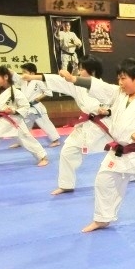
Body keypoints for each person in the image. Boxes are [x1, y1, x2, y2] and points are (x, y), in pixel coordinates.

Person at [59, 58, 135, 233]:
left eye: (123, 79)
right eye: (119, 79)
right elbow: (97, 85)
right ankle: (102, 219)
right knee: (103, 181)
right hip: (118, 150)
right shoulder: (117, 94)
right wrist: (73, 79)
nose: (120, 83)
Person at [22, 55, 113, 195]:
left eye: (82, 69)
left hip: (107, 126)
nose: (79, 72)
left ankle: (132, 175)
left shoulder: (104, 87)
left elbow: (118, 105)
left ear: (92, 72)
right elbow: (58, 81)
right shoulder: (77, 86)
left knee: (122, 151)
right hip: (88, 125)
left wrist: (107, 111)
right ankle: (66, 184)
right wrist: (33, 78)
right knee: (67, 151)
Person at [0, 66, 49, 167]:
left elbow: (25, 106)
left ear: (5, 77)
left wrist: (13, 111)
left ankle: (43, 157)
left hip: (13, 121)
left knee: (26, 139)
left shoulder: (16, 92)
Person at [9, 63, 61, 149]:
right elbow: (13, 73)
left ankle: (55, 140)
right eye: (22, 72)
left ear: (32, 74)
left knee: (45, 123)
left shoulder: (38, 81)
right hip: (27, 108)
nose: (23, 74)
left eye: (25, 72)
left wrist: (39, 98)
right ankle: (20, 141)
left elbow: (48, 92)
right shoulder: (23, 80)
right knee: (23, 125)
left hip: (36, 107)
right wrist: (1, 68)